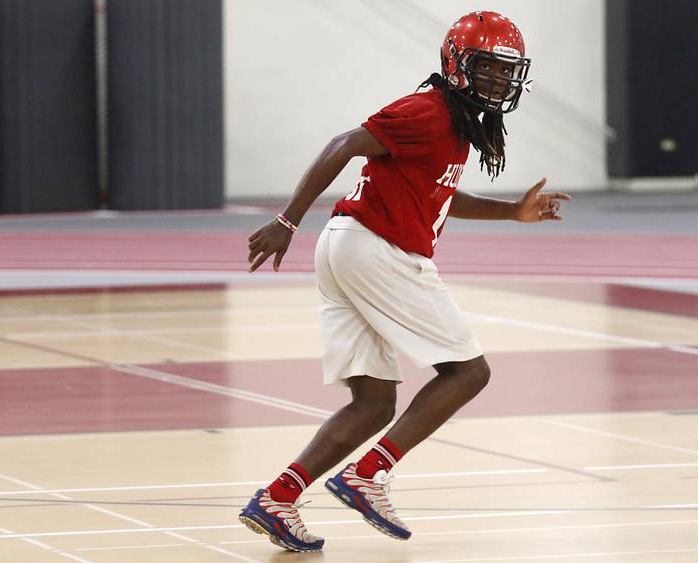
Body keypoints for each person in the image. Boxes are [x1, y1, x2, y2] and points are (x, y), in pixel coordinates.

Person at [238, 10, 570, 552]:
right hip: (378, 250)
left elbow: (444, 197)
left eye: (505, 71)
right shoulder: (428, 110)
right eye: (486, 67)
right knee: (468, 373)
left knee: (372, 403)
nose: (497, 80)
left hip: (346, 248)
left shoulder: (455, 124)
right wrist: (286, 219)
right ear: (456, 64)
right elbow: (343, 143)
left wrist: (512, 213)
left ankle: (278, 497)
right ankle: (369, 473)